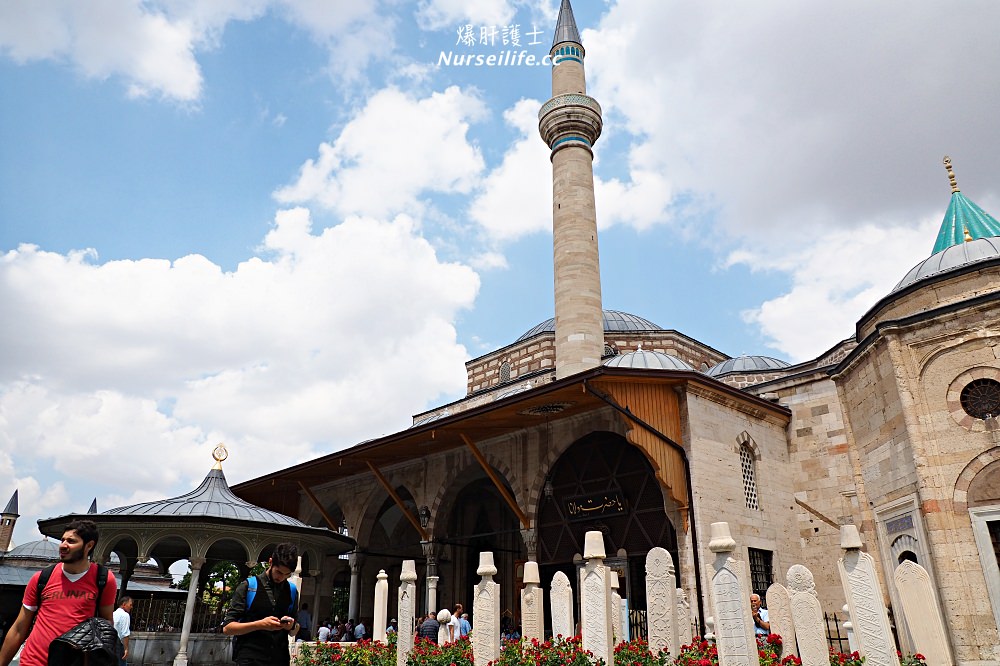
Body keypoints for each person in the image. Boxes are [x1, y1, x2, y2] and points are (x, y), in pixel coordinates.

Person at [0, 519, 118, 666]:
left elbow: (106, 625)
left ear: (89, 545)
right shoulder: (42, 578)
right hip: (34, 661)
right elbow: (19, 628)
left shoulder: (103, 579)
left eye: (71, 541)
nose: (63, 545)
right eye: (62, 540)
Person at [222, 543, 300, 666]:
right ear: (270, 562)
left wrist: (290, 626)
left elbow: (295, 629)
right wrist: (259, 625)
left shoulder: (292, 591)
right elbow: (227, 628)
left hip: (280, 659)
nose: (282, 578)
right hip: (250, 658)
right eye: (279, 572)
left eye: (287, 574)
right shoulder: (248, 586)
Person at [113, 596, 133, 666]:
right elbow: (125, 634)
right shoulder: (125, 615)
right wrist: (126, 649)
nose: (131, 607)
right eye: (130, 605)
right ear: (124, 604)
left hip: (111, 643)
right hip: (119, 644)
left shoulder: (113, 614)